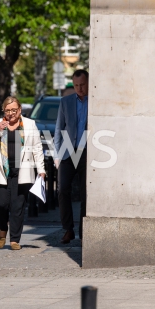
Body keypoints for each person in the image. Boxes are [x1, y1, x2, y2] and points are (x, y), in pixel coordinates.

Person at [0, 97, 46, 250]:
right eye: (8, 110)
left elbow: (37, 147)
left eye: (14, 110)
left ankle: (14, 239)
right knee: (1, 203)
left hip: (22, 170)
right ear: (3, 111)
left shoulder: (29, 124)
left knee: (18, 206)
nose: (11, 113)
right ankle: (3, 229)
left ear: (19, 110)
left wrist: (41, 170)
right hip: (3, 171)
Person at [53, 69, 89, 244]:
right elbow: (59, 128)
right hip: (67, 152)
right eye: (76, 85)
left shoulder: (96, 102)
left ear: (88, 83)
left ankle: (84, 232)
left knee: (85, 193)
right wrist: (56, 155)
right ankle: (68, 229)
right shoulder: (65, 101)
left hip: (88, 153)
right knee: (62, 189)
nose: (79, 89)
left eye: (82, 85)